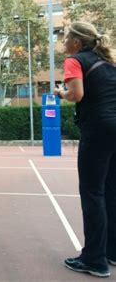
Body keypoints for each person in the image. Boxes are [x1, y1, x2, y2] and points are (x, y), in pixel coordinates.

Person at [53, 21, 116, 278]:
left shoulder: (75, 60)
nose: (64, 42)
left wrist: (61, 92)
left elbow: (76, 94)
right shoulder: (111, 65)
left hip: (98, 130)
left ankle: (94, 259)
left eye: (66, 37)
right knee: (111, 192)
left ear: (77, 42)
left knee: (92, 193)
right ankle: (111, 251)